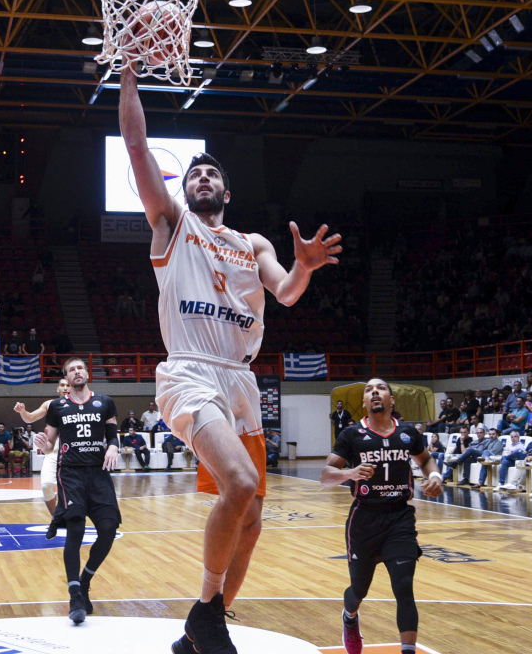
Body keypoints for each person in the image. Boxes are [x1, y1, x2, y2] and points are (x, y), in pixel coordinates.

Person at [121, 62, 340, 654]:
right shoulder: (172, 225)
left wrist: (304, 266)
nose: (202, 177)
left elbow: (287, 293)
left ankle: (202, 629)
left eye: (212, 172)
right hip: (191, 371)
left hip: (241, 381)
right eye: (194, 173)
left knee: (253, 521)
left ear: (227, 190)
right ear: (184, 189)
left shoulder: (253, 244)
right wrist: (129, 76)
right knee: (239, 483)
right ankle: (205, 611)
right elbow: (137, 145)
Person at [320, 378, 443, 654]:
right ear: (365, 403)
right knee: (359, 590)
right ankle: (350, 616)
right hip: (364, 520)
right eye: (368, 390)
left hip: (399, 517)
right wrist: (348, 473)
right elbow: (325, 475)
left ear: (391, 399)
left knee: (403, 586)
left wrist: (434, 475)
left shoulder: (408, 433)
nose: (374, 391)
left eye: (381, 388)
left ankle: (407, 649)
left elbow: (424, 460)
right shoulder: (351, 435)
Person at [33, 358, 121, 625]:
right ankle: (74, 596)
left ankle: (85, 581)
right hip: (70, 473)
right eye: (71, 370)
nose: (77, 372)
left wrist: (114, 447)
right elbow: (49, 445)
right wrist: (42, 444)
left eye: (80, 368)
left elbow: (113, 433)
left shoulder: (105, 402)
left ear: (87, 373)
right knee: (76, 530)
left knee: (108, 531)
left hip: (98, 473)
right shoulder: (58, 407)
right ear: (66, 379)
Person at [15, 377, 72, 514]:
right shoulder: (50, 404)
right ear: (57, 389)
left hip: (73, 452)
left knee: (72, 489)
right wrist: (23, 411)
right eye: (62, 385)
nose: (65, 388)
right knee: (46, 485)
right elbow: (30, 418)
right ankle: (56, 517)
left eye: (68, 385)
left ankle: (73, 516)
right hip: (53, 451)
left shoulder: (81, 404)